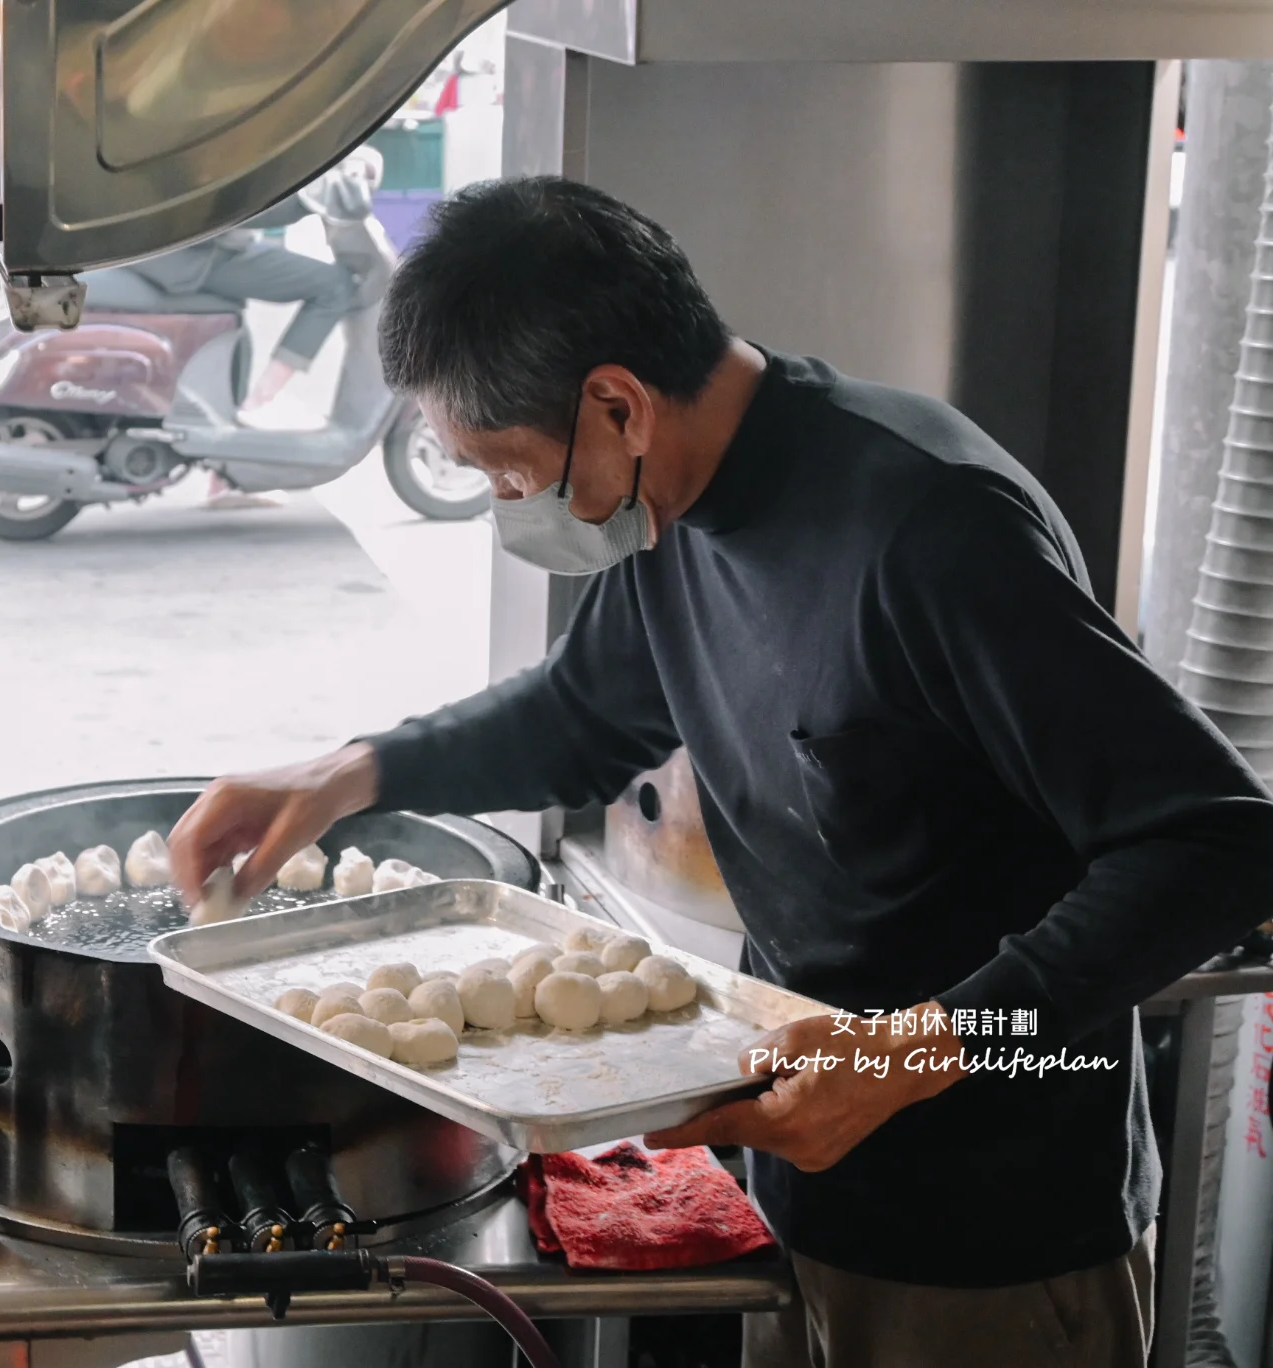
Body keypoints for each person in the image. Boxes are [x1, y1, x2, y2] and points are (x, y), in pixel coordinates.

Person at [167, 177, 1273, 1368]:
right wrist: (348, 774)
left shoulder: (932, 533)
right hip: (802, 1180)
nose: (509, 505)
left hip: (996, 1237)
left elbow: (1217, 846)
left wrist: (906, 1059)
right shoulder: (677, 508)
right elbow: (582, 714)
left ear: (617, 405)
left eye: (505, 470)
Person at [126, 193, 356, 434]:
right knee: (333, 286)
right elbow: (231, 205)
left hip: (182, 249)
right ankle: (262, 400)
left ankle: (233, 431)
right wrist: (305, 200)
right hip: (192, 256)